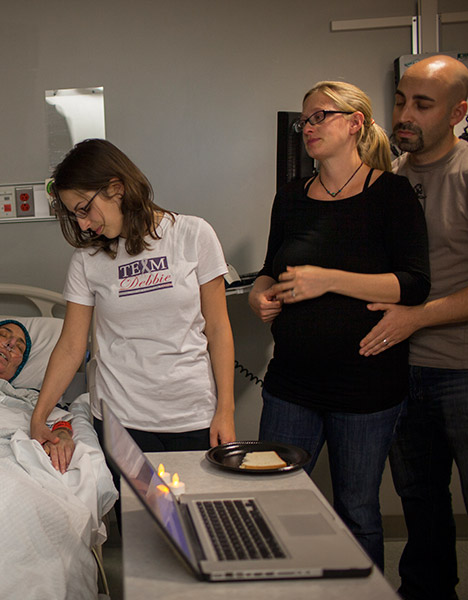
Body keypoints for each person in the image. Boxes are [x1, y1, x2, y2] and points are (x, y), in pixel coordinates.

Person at [248, 80, 430, 570]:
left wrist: (328, 280)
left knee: (357, 511)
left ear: (356, 124)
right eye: (304, 120)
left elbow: (413, 285)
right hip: (291, 385)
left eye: (319, 116)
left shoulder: (390, 193)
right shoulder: (290, 198)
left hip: (367, 387)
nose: (308, 128)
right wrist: (258, 293)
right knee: (277, 502)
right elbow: (271, 266)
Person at [30, 138, 236, 477]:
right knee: (144, 528)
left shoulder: (193, 234)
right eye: (73, 214)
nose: (82, 224)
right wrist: (39, 418)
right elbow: (71, 346)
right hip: (122, 423)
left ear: (117, 188)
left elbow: (217, 328)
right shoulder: (87, 260)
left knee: (200, 525)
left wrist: (225, 409)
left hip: (192, 415)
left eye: (84, 208)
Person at [357, 55, 468, 600]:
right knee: (421, 507)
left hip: (462, 371)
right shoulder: (390, 180)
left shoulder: (467, 173)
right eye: (401, 100)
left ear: (458, 112)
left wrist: (417, 317)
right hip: (403, 374)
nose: (404, 113)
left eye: (422, 104)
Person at [0, 320, 75, 464]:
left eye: (19, 348)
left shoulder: (28, 397)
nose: (10, 344)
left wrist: (62, 434)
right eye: (3, 335)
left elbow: (59, 420)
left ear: (17, 367)